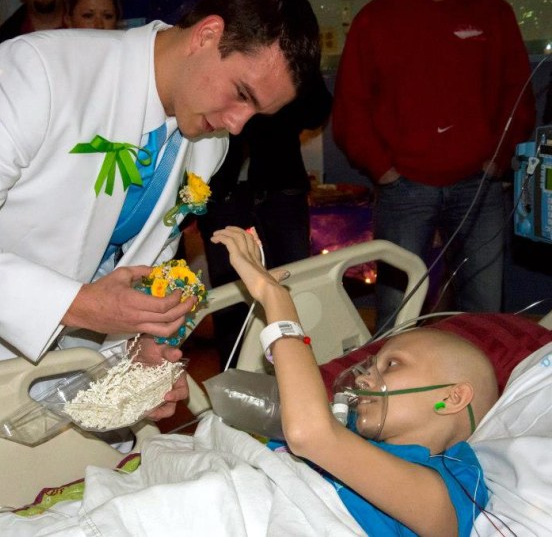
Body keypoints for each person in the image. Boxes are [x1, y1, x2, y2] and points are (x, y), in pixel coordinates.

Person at [0, 0, 323, 403]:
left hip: (55, 387)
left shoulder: (206, 144)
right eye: (242, 94)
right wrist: (79, 305)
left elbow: (125, 268)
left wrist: (137, 356)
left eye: (256, 115)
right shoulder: (37, 73)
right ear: (207, 34)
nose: (238, 126)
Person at [212, 226, 498, 535]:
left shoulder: (452, 487)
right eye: (372, 365)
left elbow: (309, 433)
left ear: (452, 398)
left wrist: (275, 297)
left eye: (392, 365)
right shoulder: (344, 430)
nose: (362, 381)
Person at [332, 0, 536, 332]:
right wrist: (383, 170)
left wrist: (499, 159)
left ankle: (485, 386)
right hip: (403, 189)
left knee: (485, 311)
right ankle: (391, 387)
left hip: (479, 184)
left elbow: (517, 92)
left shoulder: (493, 13)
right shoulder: (376, 18)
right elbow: (351, 107)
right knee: (397, 312)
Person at [196, 0, 332, 368]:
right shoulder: (215, 48)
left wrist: (276, 96)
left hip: (280, 187)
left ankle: (297, 374)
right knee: (229, 296)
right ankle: (233, 383)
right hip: (222, 194)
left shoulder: (283, 47)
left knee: (295, 286)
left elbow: (318, 109)